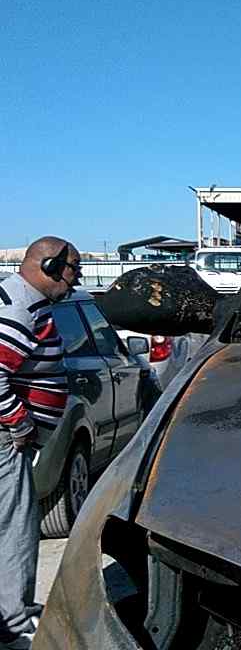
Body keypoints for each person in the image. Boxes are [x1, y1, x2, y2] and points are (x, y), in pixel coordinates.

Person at [1, 237, 79, 649]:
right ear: (50, 267)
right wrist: (19, 424)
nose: (77, 279)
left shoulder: (24, 301)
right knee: (14, 529)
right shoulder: (18, 309)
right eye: (74, 269)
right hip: (5, 440)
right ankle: (16, 626)